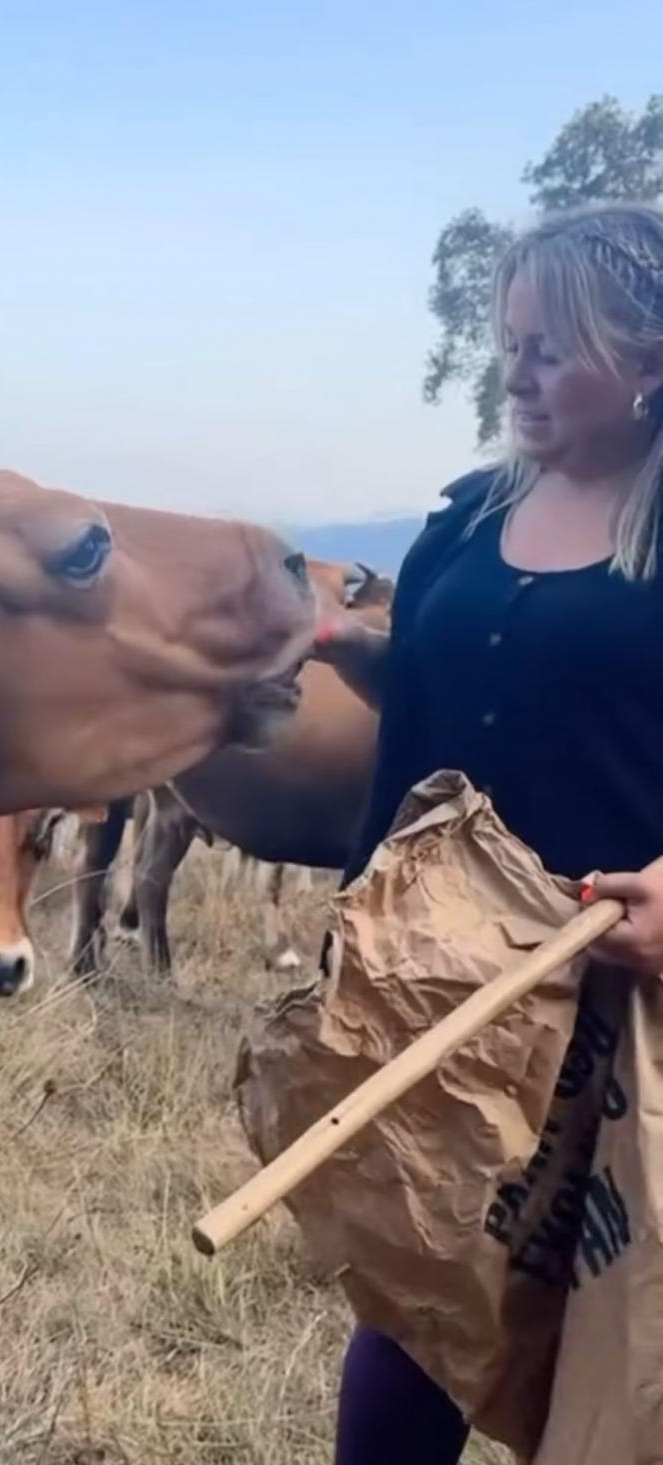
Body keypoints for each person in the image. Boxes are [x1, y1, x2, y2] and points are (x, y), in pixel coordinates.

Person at [312, 200, 663, 1464]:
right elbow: (439, 701)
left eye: (551, 348)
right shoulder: (463, 518)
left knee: (623, 1340)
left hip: (625, 1008)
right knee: (418, 1310)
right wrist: (347, 652)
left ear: (649, 362)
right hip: (448, 994)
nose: (513, 372)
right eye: (506, 341)